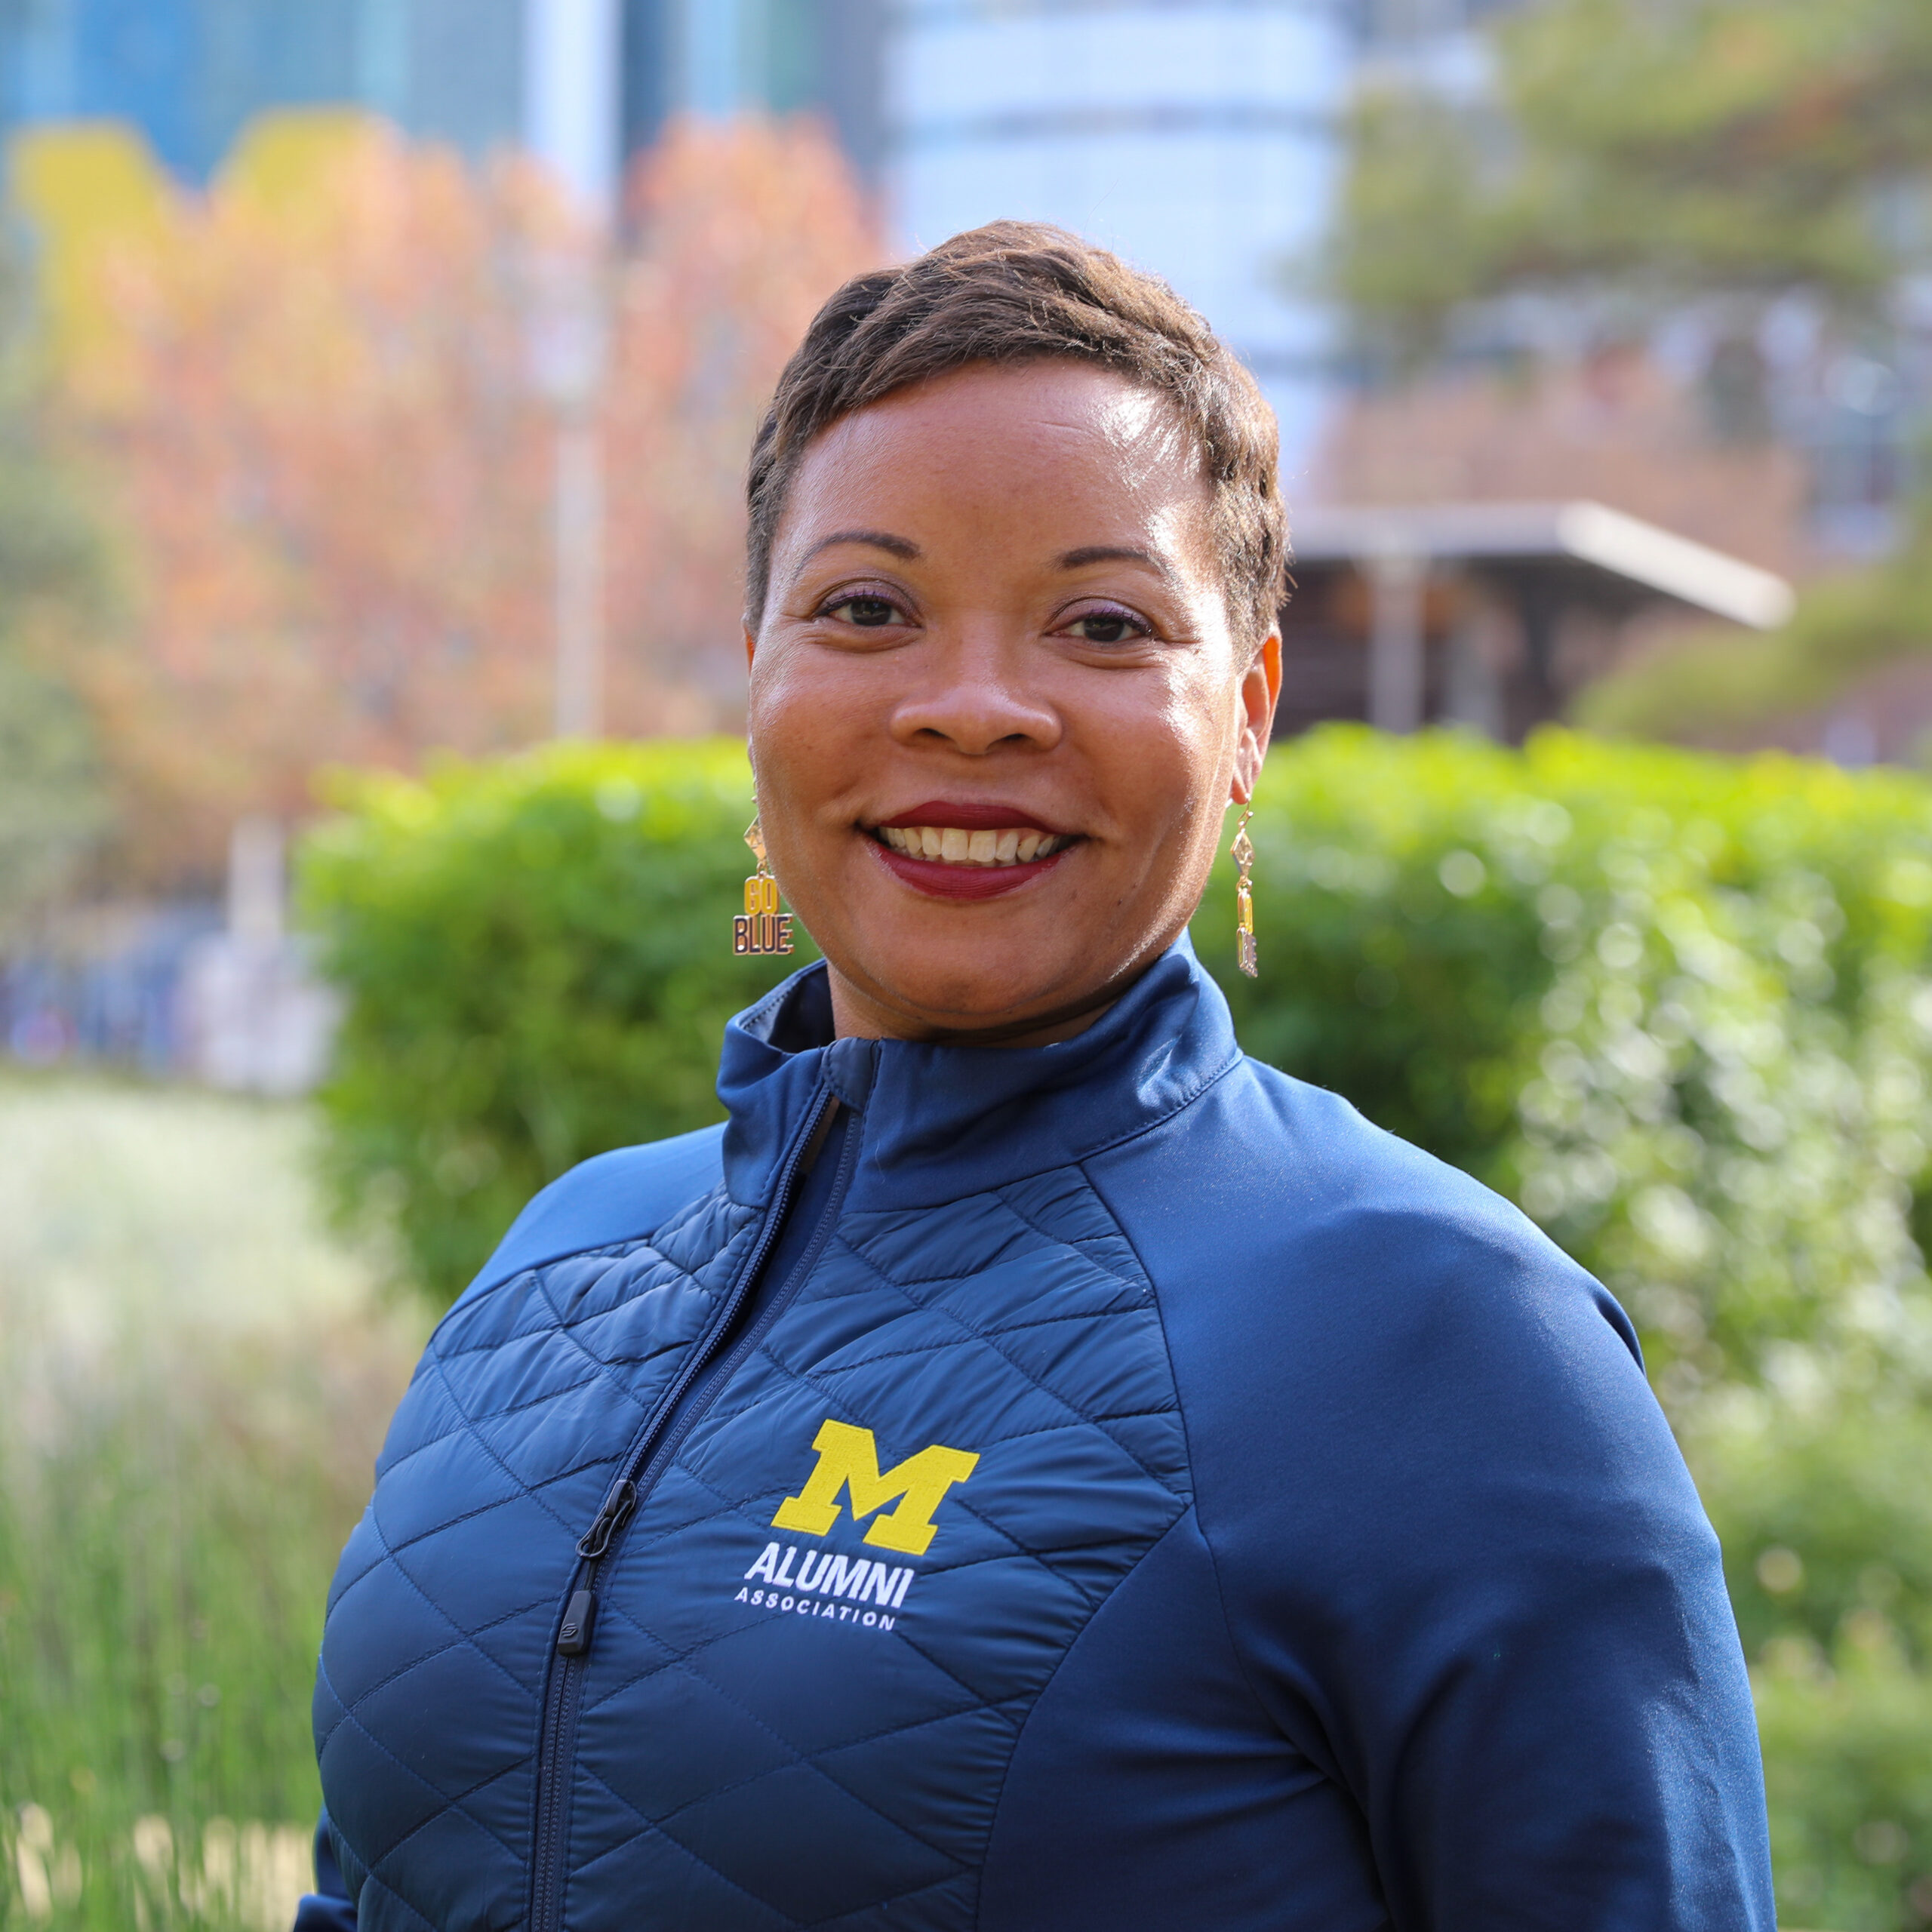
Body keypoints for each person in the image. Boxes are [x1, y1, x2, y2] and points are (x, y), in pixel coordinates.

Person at [296, 223, 1774, 1932]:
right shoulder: (557, 1263)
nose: (973, 706)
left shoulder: (1432, 1335)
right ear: (759, 675)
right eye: (866, 606)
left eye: (1098, 619)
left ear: (1246, 713)